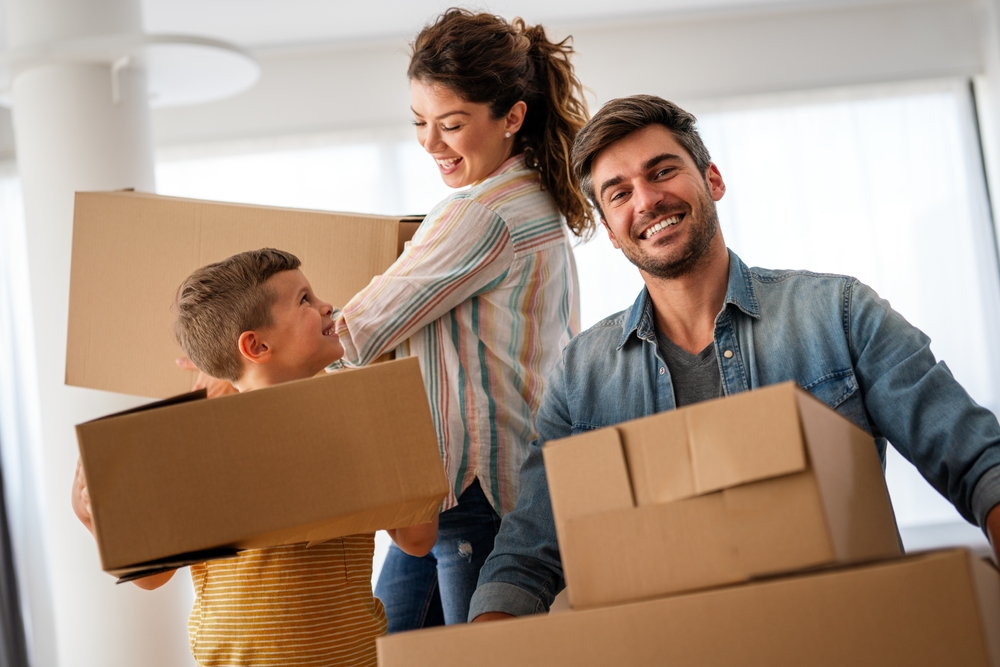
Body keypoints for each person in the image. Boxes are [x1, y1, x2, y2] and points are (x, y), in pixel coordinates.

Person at [468, 94, 1000, 621]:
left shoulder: (837, 313)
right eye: (619, 193)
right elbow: (525, 557)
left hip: (844, 634)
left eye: (662, 171)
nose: (647, 200)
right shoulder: (581, 378)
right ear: (610, 230)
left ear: (712, 180)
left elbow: (977, 460)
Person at [330, 9, 595, 632]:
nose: (430, 143)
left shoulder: (481, 214)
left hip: (476, 486)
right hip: (457, 488)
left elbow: (357, 333)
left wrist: (249, 364)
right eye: (420, 122)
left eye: (451, 124)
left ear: (511, 117)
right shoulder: (534, 197)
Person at [72, 248, 437, 666]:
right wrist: (89, 513)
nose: (326, 306)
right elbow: (152, 577)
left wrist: (410, 442)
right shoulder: (197, 444)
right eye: (304, 300)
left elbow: (416, 540)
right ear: (257, 344)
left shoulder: (358, 414)